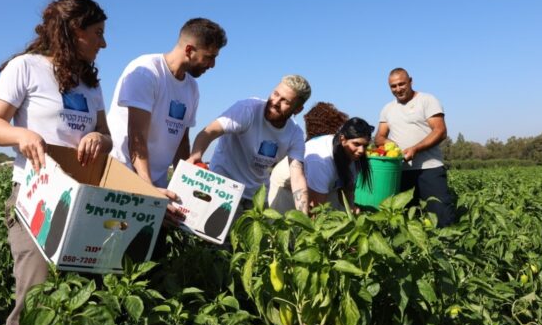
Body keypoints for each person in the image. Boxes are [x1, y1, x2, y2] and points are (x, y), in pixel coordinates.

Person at [0, 0, 111, 325]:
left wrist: (98, 138)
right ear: (74, 30)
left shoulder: (90, 83)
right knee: (34, 301)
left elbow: (107, 135)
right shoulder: (26, 67)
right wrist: (22, 135)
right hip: (36, 196)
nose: (103, 43)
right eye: (97, 33)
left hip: (82, 199)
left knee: (81, 301)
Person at [106, 18, 227, 225]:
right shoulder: (146, 72)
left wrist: (188, 187)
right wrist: (147, 189)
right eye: (209, 57)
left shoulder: (191, 88)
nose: (212, 65)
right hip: (123, 179)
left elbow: (181, 141)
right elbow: (137, 137)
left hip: (156, 184)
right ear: (189, 49)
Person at [188, 75, 312, 218]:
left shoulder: (295, 134)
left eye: (285, 101)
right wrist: (196, 155)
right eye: (276, 94)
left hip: (256, 199)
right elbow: (210, 131)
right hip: (222, 190)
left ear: (298, 109)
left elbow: (297, 177)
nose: (275, 102)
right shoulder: (247, 110)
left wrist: (303, 217)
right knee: (213, 231)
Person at [374, 67, 455, 226]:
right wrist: (389, 143)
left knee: (441, 217)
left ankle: (447, 242)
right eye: (393, 86)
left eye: (401, 84)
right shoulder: (387, 109)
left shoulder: (427, 100)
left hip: (429, 169)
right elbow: (379, 137)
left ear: (410, 81)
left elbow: (440, 131)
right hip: (401, 172)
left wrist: (415, 149)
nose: (398, 89)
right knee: (406, 221)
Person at [269, 115, 374, 213]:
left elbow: (348, 189)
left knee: (337, 216)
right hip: (288, 185)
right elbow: (315, 208)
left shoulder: (353, 157)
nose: (361, 150)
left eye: (365, 145)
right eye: (356, 144)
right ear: (343, 139)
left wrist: (351, 208)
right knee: (287, 222)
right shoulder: (322, 161)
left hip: (323, 185)